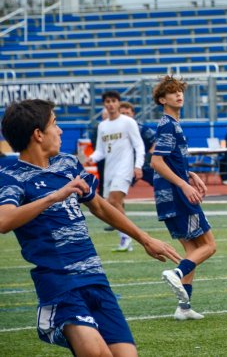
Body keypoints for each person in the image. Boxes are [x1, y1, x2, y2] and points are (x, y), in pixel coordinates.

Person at [0, 99, 181, 356]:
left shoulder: (68, 165)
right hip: (60, 284)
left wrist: (145, 238)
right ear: (38, 134)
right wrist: (54, 196)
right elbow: (4, 221)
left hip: (96, 280)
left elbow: (99, 206)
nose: (60, 130)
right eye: (55, 124)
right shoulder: (11, 177)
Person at [150, 76, 218, 321]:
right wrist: (183, 184)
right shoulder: (168, 125)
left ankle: (184, 307)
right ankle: (177, 274)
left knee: (191, 250)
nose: (179, 95)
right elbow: (156, 162)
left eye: (180, 91)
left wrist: (190, 174)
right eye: (172, 92)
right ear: (162, 99)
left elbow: (170, 160)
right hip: (176, 194)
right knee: (209, 245)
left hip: (170, 194)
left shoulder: (172, 124)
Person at [87, 91, 145, 252]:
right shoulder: (102, 126)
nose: (111, 104)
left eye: (113, 101)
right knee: (110, 206)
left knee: (113, 201)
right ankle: (125, 238)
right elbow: (101, 151)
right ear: (104, 104)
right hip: (109, 170)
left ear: (118, 103)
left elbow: (139, 146)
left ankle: (129, 237)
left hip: (124, 168)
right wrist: (91, 158)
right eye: (107, 101)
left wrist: (138, 166)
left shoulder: (128, 122)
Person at [119, 101, 157, 186]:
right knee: (117, 189)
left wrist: (149, 156)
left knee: (160, 184)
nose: (125, 116)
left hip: (144, 164)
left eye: (127, 113)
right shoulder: (115, 130)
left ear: (133, 114)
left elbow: (157, 141)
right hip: (126, 166)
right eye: (122, 113)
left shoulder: (141, 129)